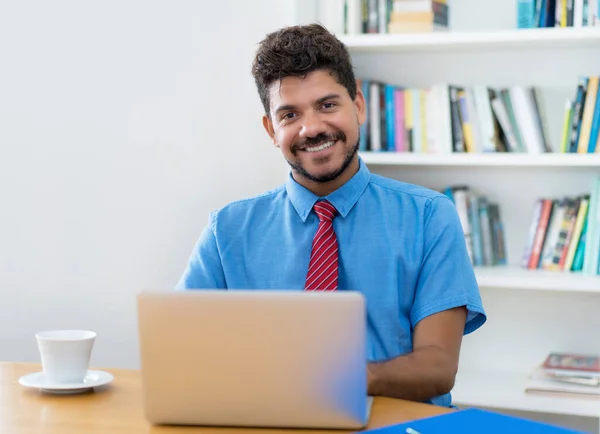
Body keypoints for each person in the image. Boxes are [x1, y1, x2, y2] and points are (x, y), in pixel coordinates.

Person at [176, 23, 486, 407]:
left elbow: (438, 367)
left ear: (357, 105)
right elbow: (182, 350)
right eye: (290, 115)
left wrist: (335, 379)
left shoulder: (429, 217)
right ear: (271, 129)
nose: (312, 128)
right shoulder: (227, 230)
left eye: (327, 105)